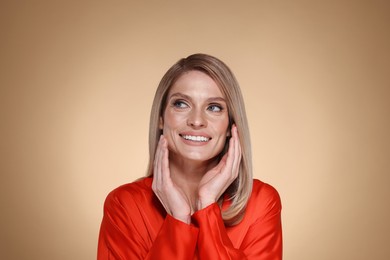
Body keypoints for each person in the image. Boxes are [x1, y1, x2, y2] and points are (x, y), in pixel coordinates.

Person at [97, 53, 282, 259]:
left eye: (214, 107)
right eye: (181, 104)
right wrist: (178, 220)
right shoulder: (124, 205)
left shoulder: (261, 202)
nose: (196, 120)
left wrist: (207, 204)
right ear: (161, 118)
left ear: (231, 125)